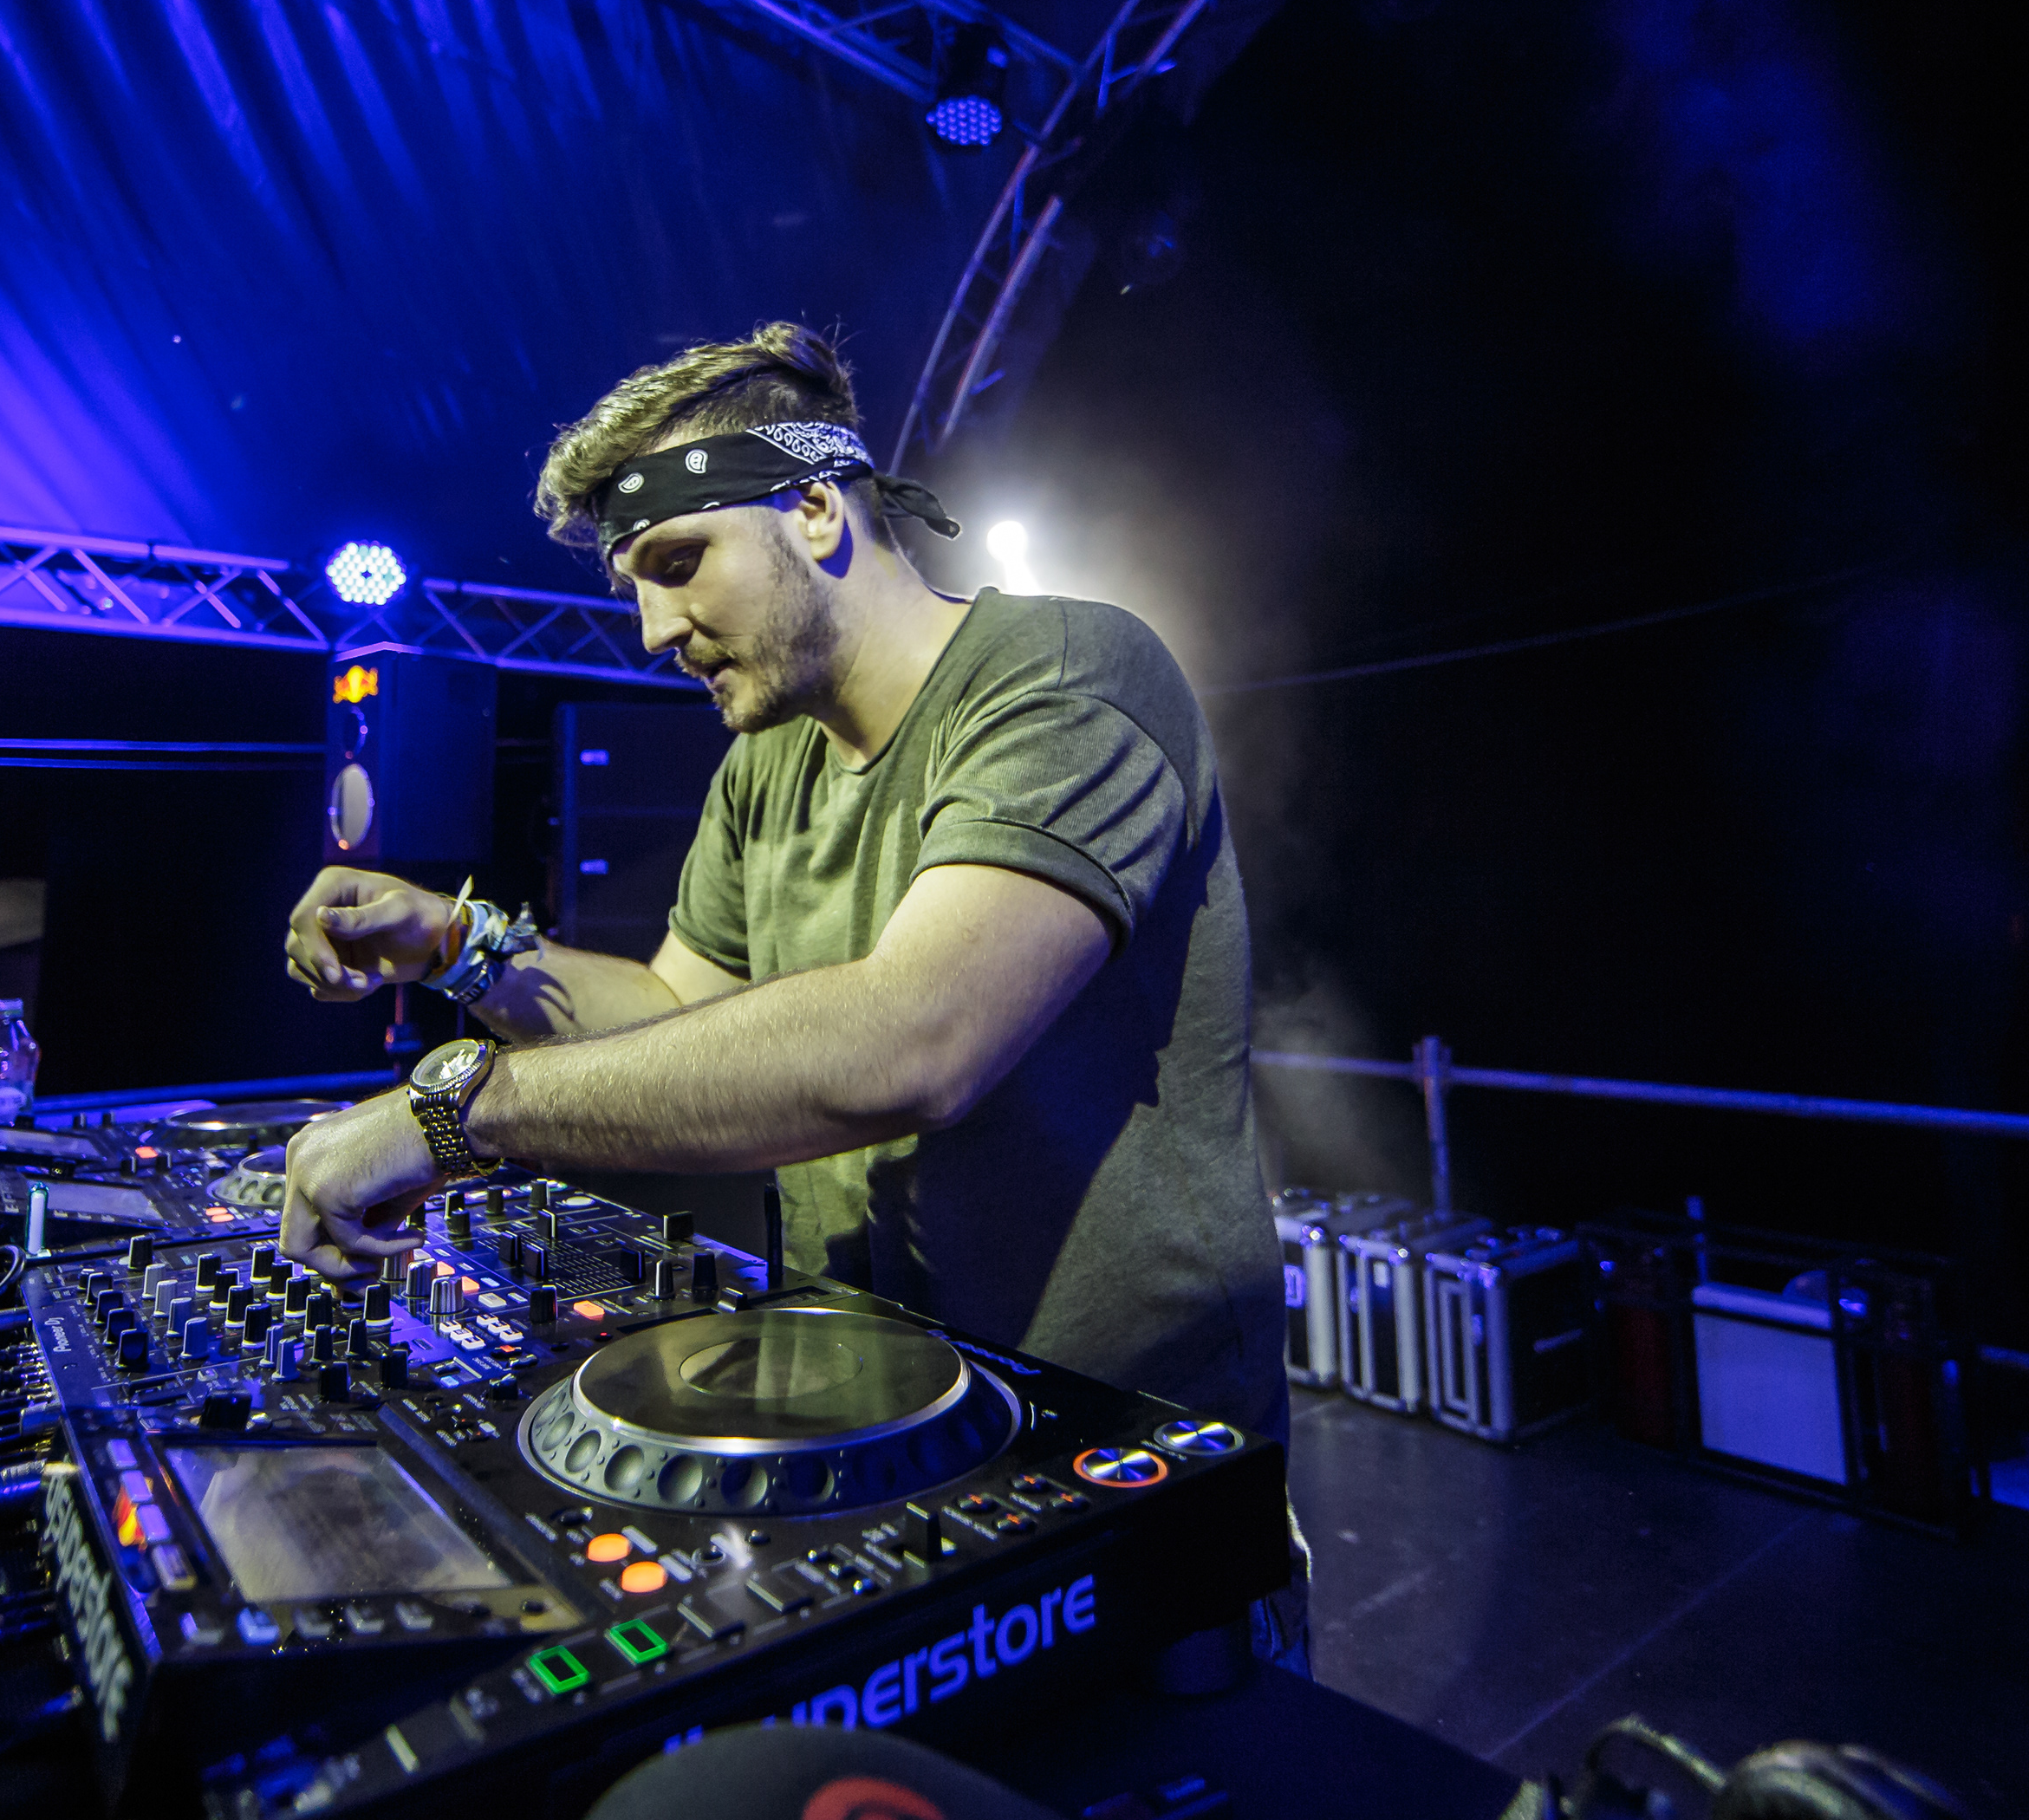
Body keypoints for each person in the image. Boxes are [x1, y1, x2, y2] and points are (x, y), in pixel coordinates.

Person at [273, 322, 1285, 1455]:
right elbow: (668, 1016)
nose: (653, 631)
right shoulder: (765, 764)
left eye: (677, 563)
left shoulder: (1066, 675)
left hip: (1123, 1426)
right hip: (877, 1392)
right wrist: (458, 945)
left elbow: (919, 1039)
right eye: (634, 585)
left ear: (813, 509)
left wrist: (456, 1115)